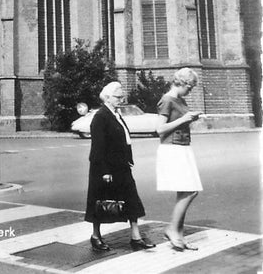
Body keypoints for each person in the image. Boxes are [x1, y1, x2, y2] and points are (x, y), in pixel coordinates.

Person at [85, 81, 155, 252]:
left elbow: (124, 138)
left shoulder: (115, 114)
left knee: (131, 200)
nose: (121, 100)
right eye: (118, 97)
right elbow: (98, 147)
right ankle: (95, 236)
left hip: (121, 166)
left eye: (122, 96)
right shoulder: (101, 116)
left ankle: (136, 238)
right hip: (105, 168)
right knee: (100, 203)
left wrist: (128, 159)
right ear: (107, 98)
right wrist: (104, 171)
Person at [156, 67, 203, 251]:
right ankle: (171, 229)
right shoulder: (167, 100)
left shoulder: (179, 99)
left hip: (183, 147)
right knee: (191, 191)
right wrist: (184, 119)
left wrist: (189, 119)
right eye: (190, 87)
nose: (190, 91)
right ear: (182, 83)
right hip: (172, 148)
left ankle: (179, 236)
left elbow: (179, 121)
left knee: (185, 192)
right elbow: (159, 129)